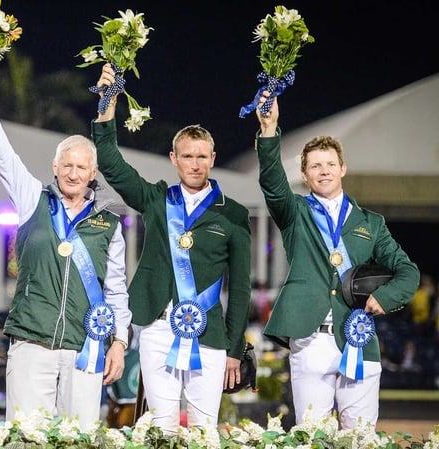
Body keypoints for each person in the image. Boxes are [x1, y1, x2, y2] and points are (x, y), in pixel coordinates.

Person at [0, 58, 132, 428]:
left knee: (78, 439)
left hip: (85, 348)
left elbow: (116, 291)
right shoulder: (32, 199)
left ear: (93, 173)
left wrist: (119, 343)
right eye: (67, 165)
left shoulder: (110, 225)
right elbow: (2, 154)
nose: (73, 173)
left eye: (81, 167)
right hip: (31, 344)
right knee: (26, 436)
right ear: (55, 167)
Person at [91, 63, 252, 433]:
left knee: (203, 430)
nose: (195, 164)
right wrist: (107, 104)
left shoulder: (233, 215)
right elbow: (111, 165)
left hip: (209, 335)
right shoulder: (156, 199)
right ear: (173, 159)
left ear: (212, 159)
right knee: (161, 427)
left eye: (202, 156)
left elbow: (241, 288)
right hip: (157, 330)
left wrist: (234, 350)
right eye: (187, 156)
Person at [254, 92, 419, 429]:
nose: (324, 171)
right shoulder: (295, 212)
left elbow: (408, 272)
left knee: (359, 437)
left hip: (358, 337)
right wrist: (269, 130)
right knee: (312, 435)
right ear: (304, 174)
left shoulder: (371, 223)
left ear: (343, 168)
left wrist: (385, 297)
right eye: (315, 166)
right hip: (310, 340)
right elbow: (272, 183)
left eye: (330, 164)